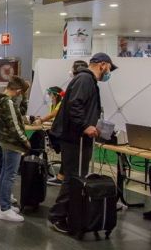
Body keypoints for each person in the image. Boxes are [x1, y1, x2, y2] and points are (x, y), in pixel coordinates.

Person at [47, 52, 118, 233]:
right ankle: (58, 215)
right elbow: (75, 104)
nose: (109, 72)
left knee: (76, 176)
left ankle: (69, 212)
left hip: (77, 137)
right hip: (75, 138)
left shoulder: (86, 81)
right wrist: (85, 125)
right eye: (109, 67)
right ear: (102, 64)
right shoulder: (85, 80)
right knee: (73, 177)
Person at [0, 76, 31, 222]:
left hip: (6, 140)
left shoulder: (2, 100)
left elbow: (20, 112)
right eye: (21, 93)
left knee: (4, 173)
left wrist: (25, 96)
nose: (19, 96)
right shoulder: (8, 102)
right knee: (9, 175)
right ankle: (5, 209)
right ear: (18, 90)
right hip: (12, 142)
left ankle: (3, 204)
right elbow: (15, 125)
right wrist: (25, 141)